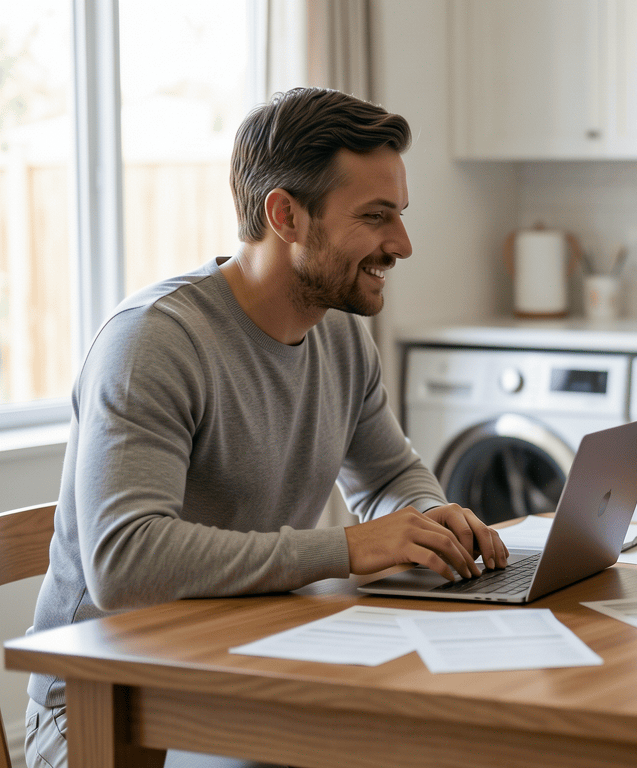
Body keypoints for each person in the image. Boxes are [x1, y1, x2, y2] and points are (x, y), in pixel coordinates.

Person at [24, 87, 509, 768]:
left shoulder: (339, 336)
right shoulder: (154, 343)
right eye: (375, 217)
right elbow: (125, 562)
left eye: (398, 215)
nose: (401, 243)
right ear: (285, 214)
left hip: (251, 671)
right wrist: (347, 548)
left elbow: (390, 474)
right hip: (110, 713)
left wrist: (427, 519)